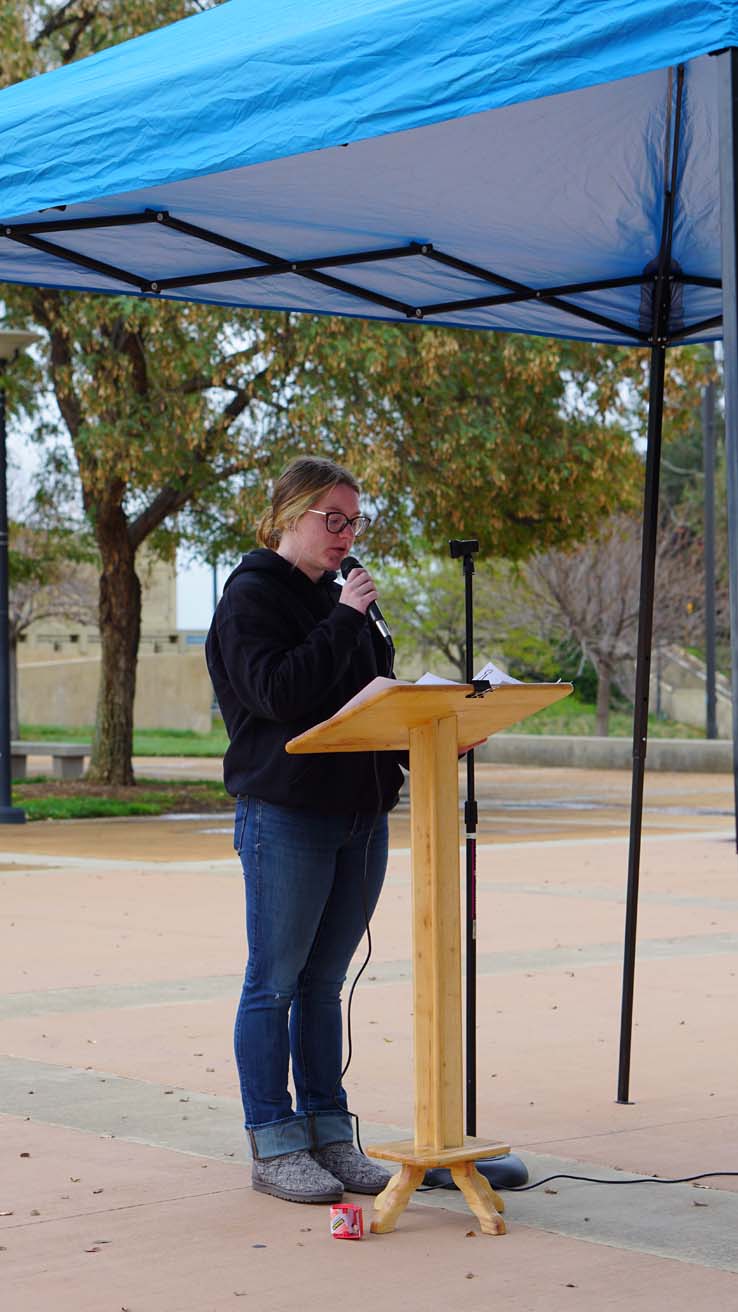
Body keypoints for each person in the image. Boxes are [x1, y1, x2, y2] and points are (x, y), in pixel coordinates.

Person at [206, 455, 403, 1205]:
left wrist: (436, 727)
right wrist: (345, 618)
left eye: (354, 520)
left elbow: (367, 696)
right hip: (286, 813)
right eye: (333, 519)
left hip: (360, 811)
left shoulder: (342, 598)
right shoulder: (251, 598)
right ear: (289, 515)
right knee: (275, 983)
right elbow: (279, 693)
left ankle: (328, 1131)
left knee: (325, 984)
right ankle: (275, 1142)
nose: (346, 534)